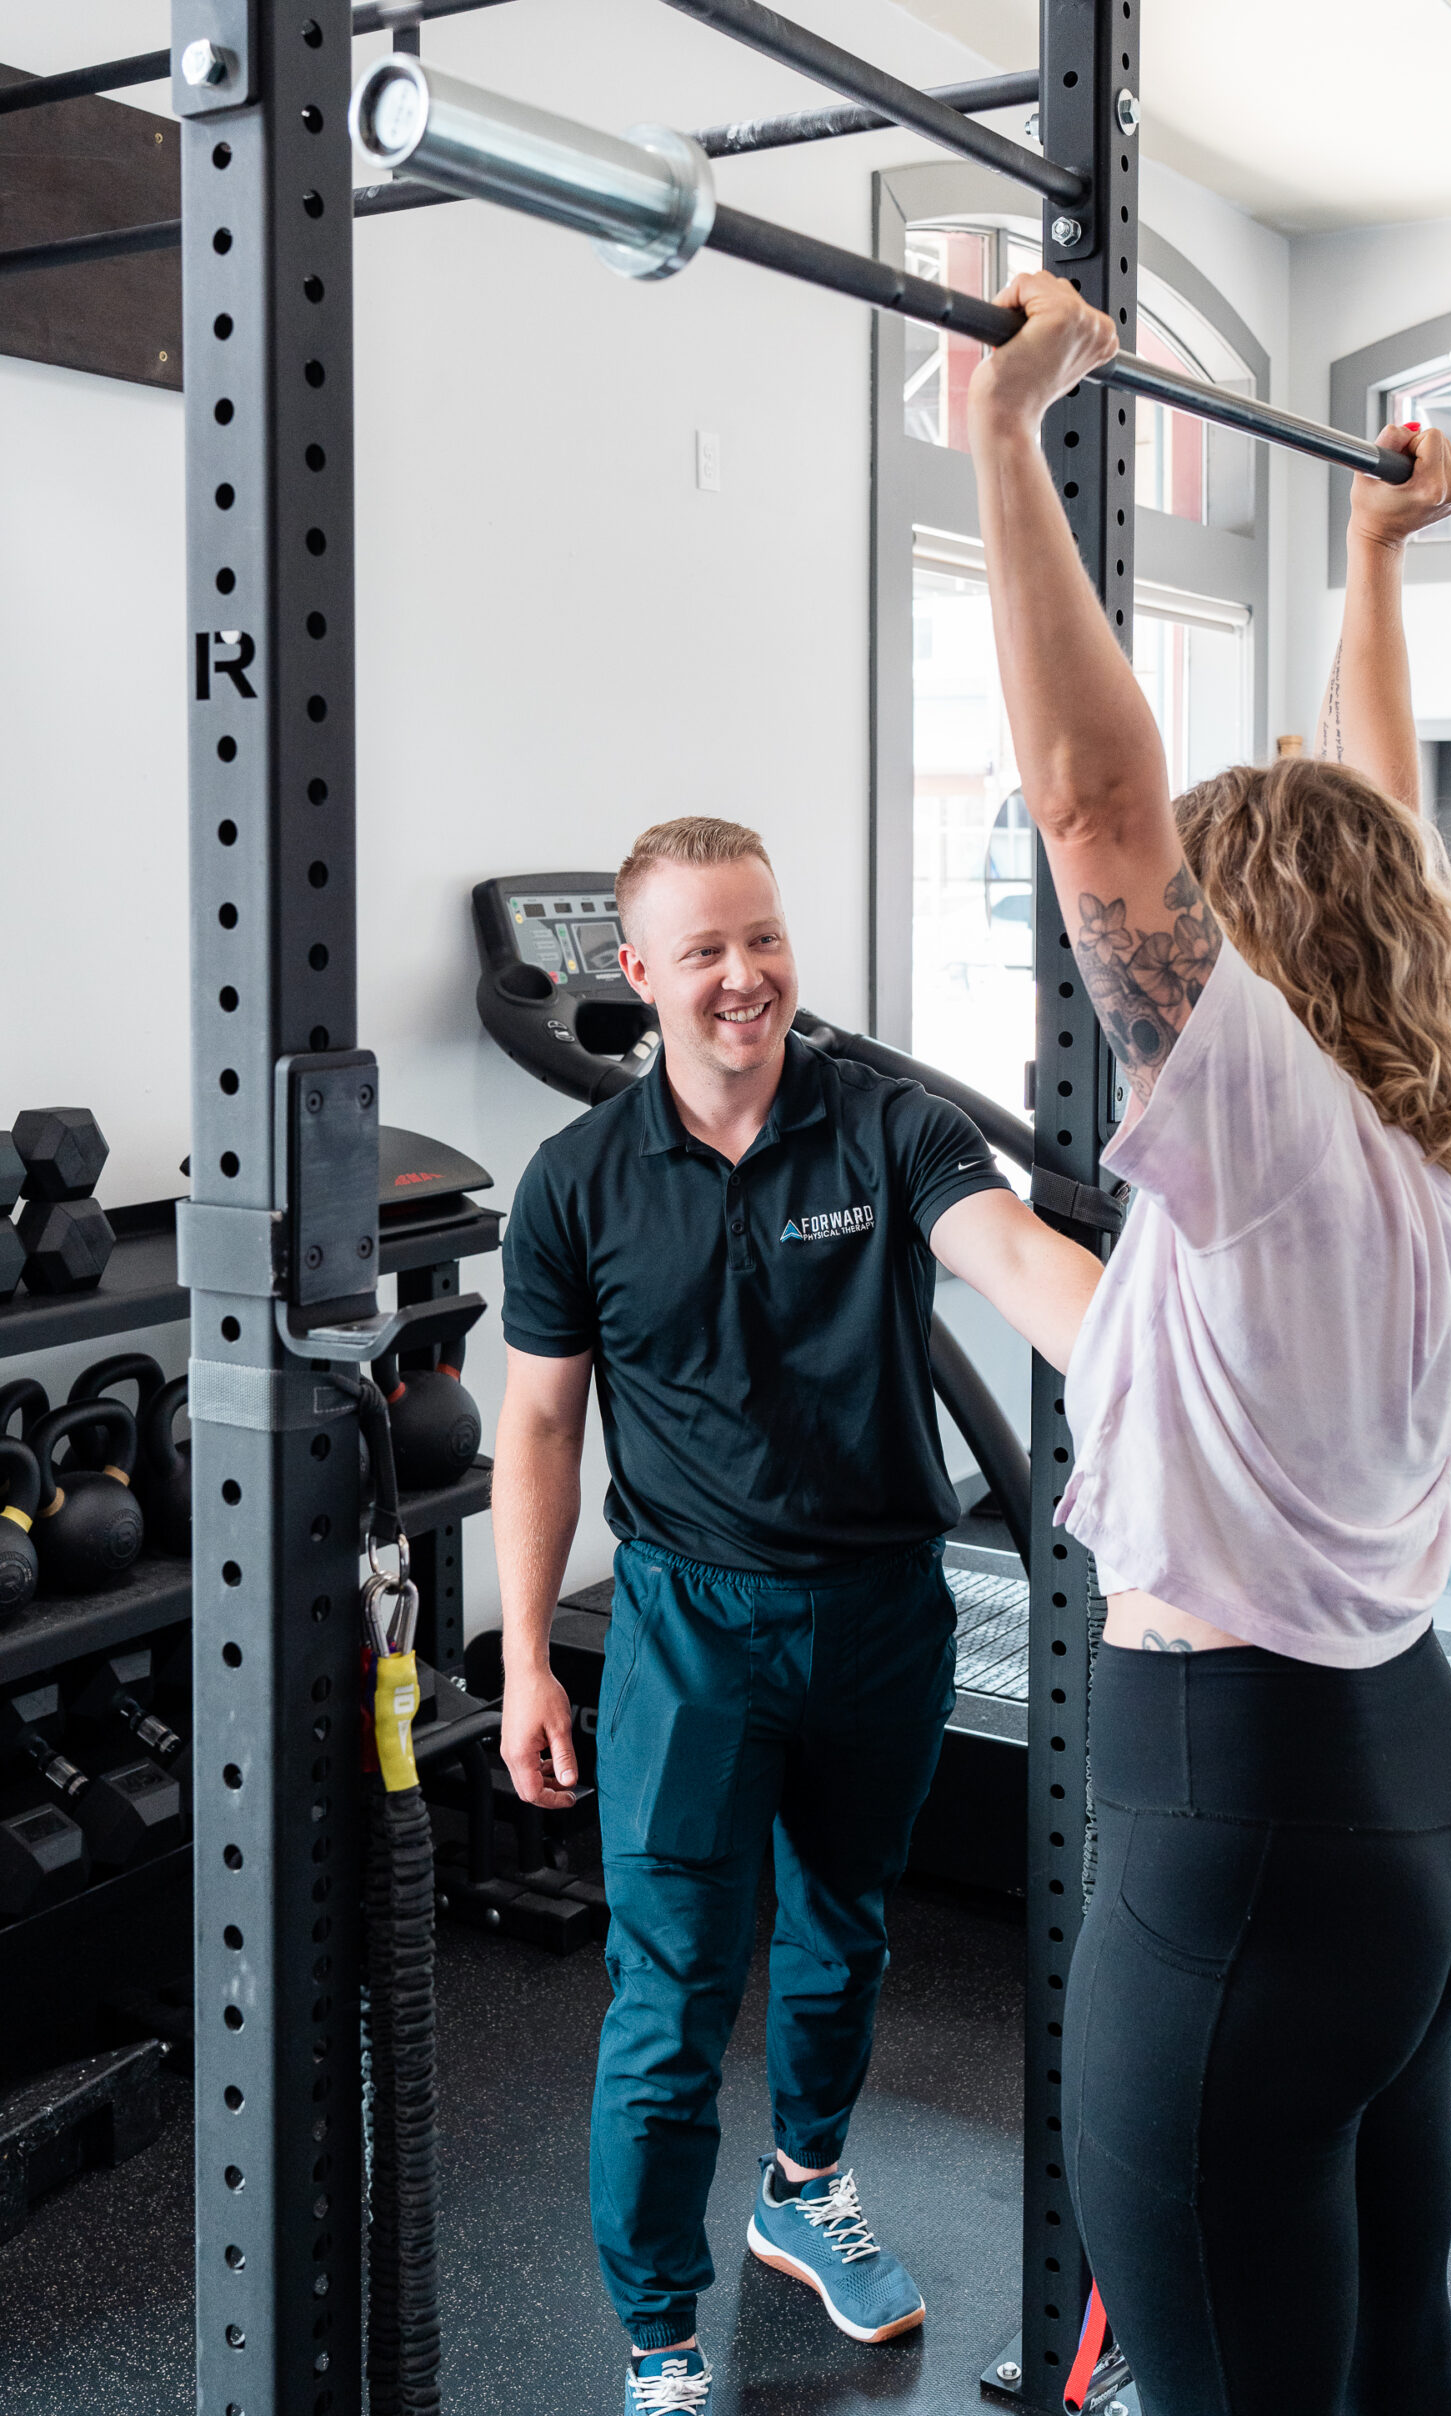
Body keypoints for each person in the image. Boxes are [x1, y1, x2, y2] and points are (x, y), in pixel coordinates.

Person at [966, 273, 1451, 2416]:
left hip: (1242, 1840)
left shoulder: (1281, 1151)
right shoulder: (1441, 1160)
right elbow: (1374, 817)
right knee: (1389, 2346)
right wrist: (1371, 568)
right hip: (1404, 1801)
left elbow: (1099, 811)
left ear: (1264, 967)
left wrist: (1003, 443)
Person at [492, 816, 1102, 2416]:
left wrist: (1198, 1340)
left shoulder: (886, 1131)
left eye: (764, 938)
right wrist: (519, 1665)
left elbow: (1025, 1265)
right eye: (704, 950)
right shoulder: (574, 1185)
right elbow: (541, 1425)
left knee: (842, 1937)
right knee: (672, 1991)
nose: (746, 975)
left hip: (882, 1614)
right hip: (688, 1632)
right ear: (638, 976)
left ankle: (804, 2190)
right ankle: (659, 2341)